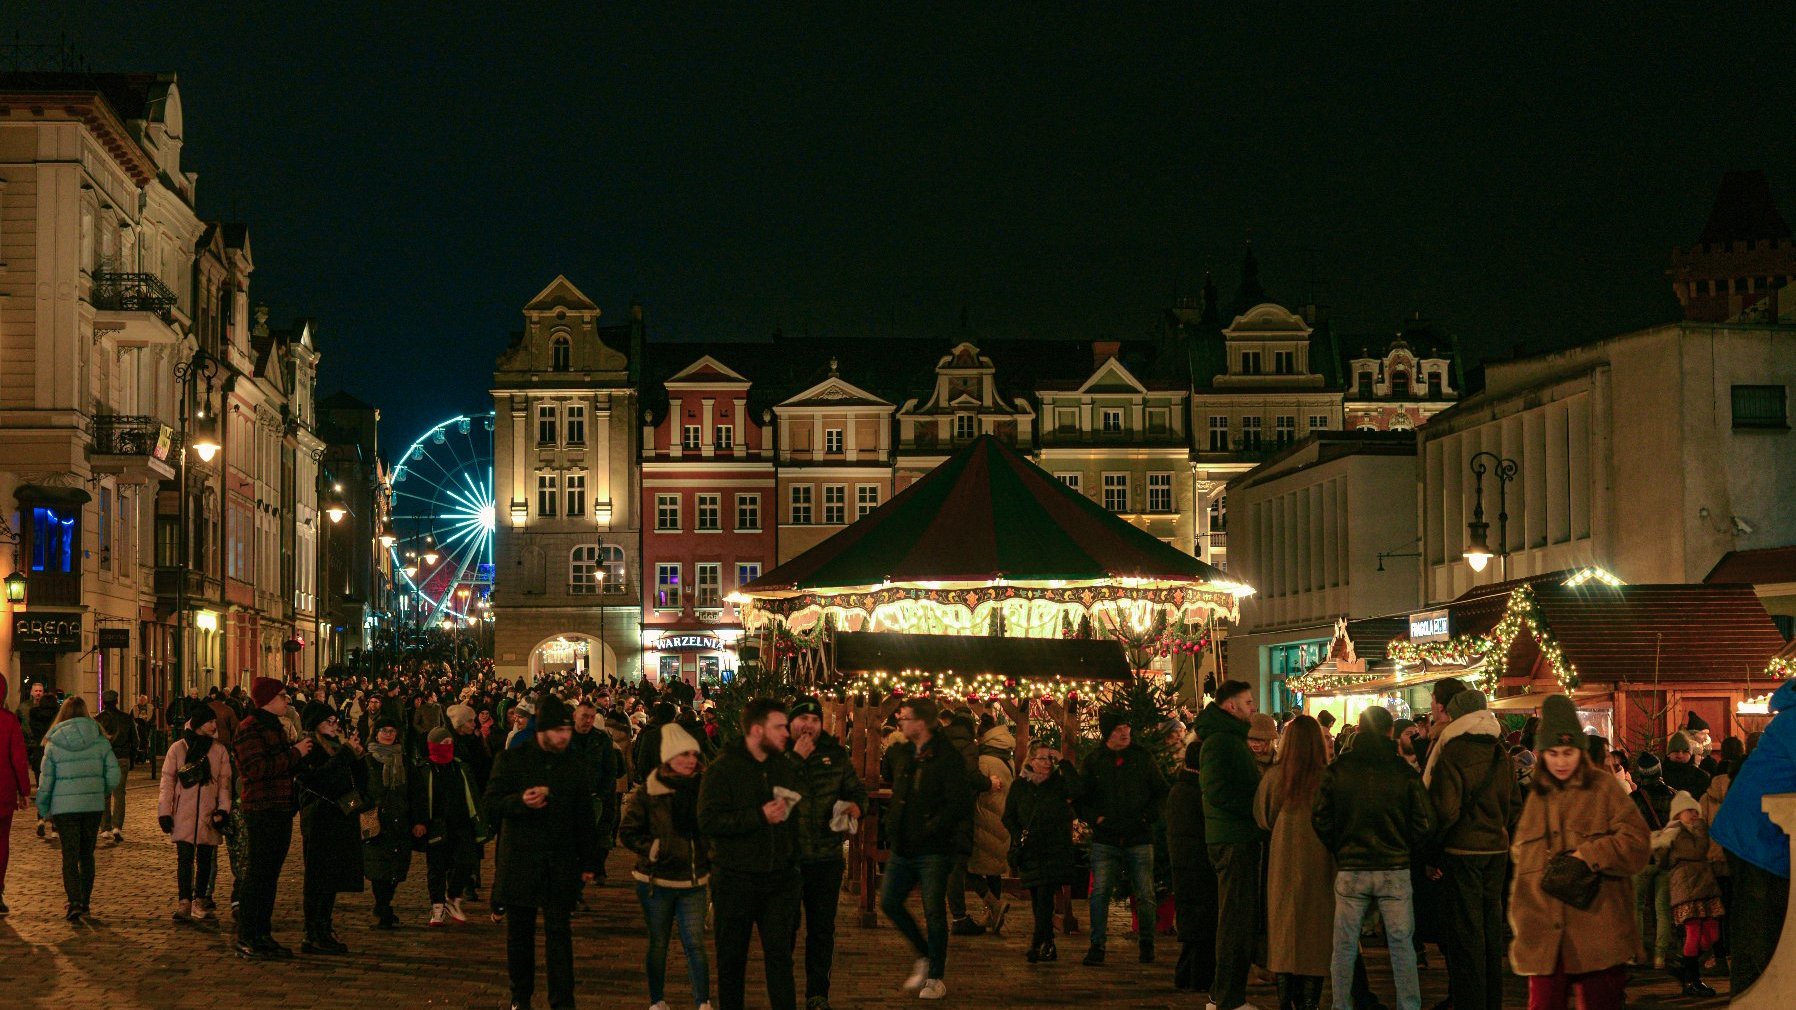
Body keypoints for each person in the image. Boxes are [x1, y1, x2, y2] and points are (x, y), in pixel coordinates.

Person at [1508, 694, 1651, 1010]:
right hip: (1546, 935)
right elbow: (1524, 865)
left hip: (1597, 928)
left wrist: (1591, 853)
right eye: (1553, 753)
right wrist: (1522, 921)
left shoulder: (1604, 788)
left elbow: (1638, 844)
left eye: (1569, 752)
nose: (1561, 761)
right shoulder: (1538, 795)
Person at [1312, 706, 1435, 1010]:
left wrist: (1340, 846)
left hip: (1351, 867)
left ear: (1360, 730)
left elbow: (1320, 817)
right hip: (1395, 867)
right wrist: (1406, 848)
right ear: (1389, 732)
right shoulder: (1403, 772)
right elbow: (1425, 823)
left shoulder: (1338, 770)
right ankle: (1409, 1005)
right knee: (1401, 945)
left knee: (1343, 946)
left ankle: (1341, 1005)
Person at [485, 695, 602, 1010]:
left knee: (559, 936)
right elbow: (492, 804)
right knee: (519, 936)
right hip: (520, 859)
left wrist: (590, 860)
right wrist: (520, 802)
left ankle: (562, 1001)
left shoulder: (575, 763)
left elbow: (584, 816)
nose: (565, 736)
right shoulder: (512, 760)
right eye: (558, 731)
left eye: (567, 730)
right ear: (542, 731)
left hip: (559, 862)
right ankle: (520, 997)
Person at [697, 698, 802, 1010]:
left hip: (779, 879)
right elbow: (708, 821)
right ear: (757, 730)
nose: (787, 732)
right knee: (731, 962)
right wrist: (758, 816)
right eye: (779, 727)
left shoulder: (781, 766)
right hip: (735, 879)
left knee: (781, 960)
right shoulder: (723, 769)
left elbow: (794, 816)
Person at [1421, 688, 1517, 1010]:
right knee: (1491, 930)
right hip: (1496, 851)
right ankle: (1493, 1000)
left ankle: (1470, 1002)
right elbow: (1513, 805)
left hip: (1463, 851)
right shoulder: (1500, 751)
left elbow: (1445, 810)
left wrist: (1432, 852)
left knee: (1466, 934)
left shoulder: (1453, 751)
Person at [879, 696, 975, 1000]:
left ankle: (935, 976)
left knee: (934, 911)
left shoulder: (947, 757)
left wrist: (933, 826)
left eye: (905, 717)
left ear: (921, 722)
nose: (900, 722)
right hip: (904, 845)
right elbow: (889, 774)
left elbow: (959, 801)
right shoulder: (905, 751)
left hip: (934, 848)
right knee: (890, 901)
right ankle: (923, 954)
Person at [620, 720, 714, 1010]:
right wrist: (651, 848)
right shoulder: (650, 790)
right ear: (669, 758)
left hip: (694, 878)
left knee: (695, 944)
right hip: (656, 881)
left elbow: (713, 828)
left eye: (693, 755)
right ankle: (657, 1000)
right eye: (683, 755)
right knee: (658, 943)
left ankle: (703, 1002)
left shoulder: (705, 788)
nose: (690, 760)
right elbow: (629, 831)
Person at [1711, 676, 1795, 994]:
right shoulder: (1795, 721)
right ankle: (1751, 997)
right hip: (1755, 837)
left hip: (1760, 834)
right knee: (1760, 930)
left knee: (1759, 926)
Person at [784, 695, 869, 1010]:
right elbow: (769, 794)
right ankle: (783, 991)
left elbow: (856, 790)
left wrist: (856, 806)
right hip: (787, 860)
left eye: (815, 720)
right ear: (791, 723)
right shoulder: (778, 755)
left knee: (821, 930)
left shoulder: (835, 756)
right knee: (785, 929)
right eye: (802, 720)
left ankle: (817, 994)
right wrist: (795, 758)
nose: (808, 726)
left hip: (826, 859)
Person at [1077, 707, 1169, 965]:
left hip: (1138, 836)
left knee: (1146, 893)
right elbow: (1081, 797)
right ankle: (1097, 946)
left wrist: (1146, 817)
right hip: (1106, 839)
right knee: (1100, 893)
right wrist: (1096, 819)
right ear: (1108, 733)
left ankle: (1147, 943)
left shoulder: (1142, 758)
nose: (1124, 733)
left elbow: (1161, 791)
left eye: (1126, 729)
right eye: (1118, 730)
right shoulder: (1095, 761)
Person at [1253, 715, 1331, 1010]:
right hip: (1321, 865)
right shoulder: (1327, 778)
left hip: (1283, 863)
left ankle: (1286, 1002)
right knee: (1315, 935)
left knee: (1285, 934)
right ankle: (1309, 1004)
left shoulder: (1275, 778)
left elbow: (1263, 816)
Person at [234, 677, 313, 959]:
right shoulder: (250, 729)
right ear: (268, 700)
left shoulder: (275, 726)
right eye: (282, 696)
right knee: (258, 874)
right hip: (262, 808)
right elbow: (257, 769)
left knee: (270, 876)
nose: (286, 700)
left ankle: (262, 933)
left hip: (280, 807)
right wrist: (295, 753)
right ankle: (248, 935)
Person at [1196, 680, 1264, 1010]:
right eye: (1248, 702)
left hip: (1237, 836)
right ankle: (1225, 997)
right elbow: (1217, 791)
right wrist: (1254, 809)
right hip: (1232, 838)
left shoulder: (1230, 740)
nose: (1253, 707)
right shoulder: (1221, 742)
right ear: (1230, 706)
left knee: (1237, 918)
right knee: (1234, 919)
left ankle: (1227, 995)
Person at [35, 695, 122, 922]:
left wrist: (43, 809)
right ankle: (85, 902)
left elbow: (46, 781)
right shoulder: (99, 739)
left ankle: (73, 901)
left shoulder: (54, 743)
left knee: (70, 855)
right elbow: (114, 774)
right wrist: (100, 789)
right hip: (92, 807)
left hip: (64, 808)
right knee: (87, 855)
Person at [295, 701, 367, 953]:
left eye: (336, 720)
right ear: (315, 724)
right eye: (330, 721)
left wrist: (357, 756)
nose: (336, 725)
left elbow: (352, 782)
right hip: (319, 819)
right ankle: (313, 931)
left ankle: (324, 927)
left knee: (331, 876)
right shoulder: (309, 748)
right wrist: (347, 753)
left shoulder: (337, 746)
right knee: (318, 877)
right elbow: (318, 780)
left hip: (339, 817)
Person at [157, 703, 233, 922]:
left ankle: (200, 900)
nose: (213, 725)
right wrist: (165, 811)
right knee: (184, 859)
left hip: (209, 814)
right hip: (183, 813)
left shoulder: (218, 750)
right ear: (199, 724)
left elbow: (224, 784)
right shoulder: (178, 749)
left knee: (205, 859)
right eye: (210, 721)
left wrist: (223, 809)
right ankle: (184, 902)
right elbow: (167, 782)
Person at [1004, 743, 1078, 964]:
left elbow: (1079, 790)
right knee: (1038, 898)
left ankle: (1038, 942)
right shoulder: (1020, 786)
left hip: (1054, 848)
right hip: (1030, 850)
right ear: (1031, 761)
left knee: (1045, 895)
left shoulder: (1059, 783)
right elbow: (1008, 816)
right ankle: (1048, 942)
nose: (1047, 763)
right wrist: (1019, 836)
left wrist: (1064, 761)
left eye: (1049, 759)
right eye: (1042, 758)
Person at [416, 725, 485, 926]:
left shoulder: (460, 767)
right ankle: (437, 905)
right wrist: (421, 821)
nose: (448, 746)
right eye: (443, 743)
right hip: (436, 824)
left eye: (449, 743)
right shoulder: (425, 769)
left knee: (467, 861)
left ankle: (452, 896)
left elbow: (472, 792)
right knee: (436, 866)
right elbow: (420, 798)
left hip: (461, 822)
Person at [1164, 739, 1216, 992]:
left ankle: (1186, 975)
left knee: (1195, 922)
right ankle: (1197, 978)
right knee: (1202, 922)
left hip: (1184, 862)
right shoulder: (1195, 791)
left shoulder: (1181, 787)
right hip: (1197, 863)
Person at [1661, 790, 1723, 997]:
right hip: (1686, 889)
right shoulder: (1677, 831)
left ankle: (1683, 964)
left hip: (1705, 887)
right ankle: (1692, 980)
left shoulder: (1695, 830)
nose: (1694, 815)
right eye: (1689, 811)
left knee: (1712, 933)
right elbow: (1696, 851)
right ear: (1678, 813)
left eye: (1695, 811)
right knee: (1694, 933)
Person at [362, 715, 413, 929]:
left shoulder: (405, 760)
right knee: (378, 870)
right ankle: (383, 906)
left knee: (395, 868)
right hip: (376, 821)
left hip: (399, 821)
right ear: (376, 733)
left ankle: (384, 903)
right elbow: (357, 789)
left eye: (392, 731)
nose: (388, 735)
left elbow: (414, 791)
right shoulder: (367, 760)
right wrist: (361, 809)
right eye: (384, 731)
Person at [967, 713, 1015, 937]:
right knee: (993, 869)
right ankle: (993, 914)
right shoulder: (1006, 756)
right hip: (1001, 818)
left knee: (967, 868)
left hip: (984, 819)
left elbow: (975, 785)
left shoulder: (984, 760)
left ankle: (994, 906)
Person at [1629, 750, 1676, 968]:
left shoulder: (1635, 799)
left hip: (1641, 858)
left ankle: (1637, 953)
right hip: (1666, 858)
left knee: (1636, 905)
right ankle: (1660, 957)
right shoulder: (1673, 795)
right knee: (1662, 909)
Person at [571, 700, 624, 891]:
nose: (588, 720)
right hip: (572, 800)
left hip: (597, 797)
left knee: (598, 836)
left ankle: (593, 870)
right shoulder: (566, 738)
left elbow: (611, 770)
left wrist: (601, 793)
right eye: (584, 716)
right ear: (575, 716)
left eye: (591, 717)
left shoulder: (601, 740)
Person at [0, 674, 30, 915]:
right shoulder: (9, 721)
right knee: (1, 843)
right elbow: (18, 760)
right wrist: (24, 790)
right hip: (3, 792)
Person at [94, 689, 135, 842]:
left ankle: (105, 828)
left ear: (103, 702)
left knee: (104, 794)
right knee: (119, 793)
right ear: (116, 701)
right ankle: (117, 826)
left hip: (104, 758)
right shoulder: (126, 718)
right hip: (122, 758)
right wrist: (133, 757)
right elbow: (134, 740)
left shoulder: (97, 720)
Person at [19, 681, 57, 837]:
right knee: (54, 790)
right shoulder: (56, 715)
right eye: (36, 690)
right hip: (53, 754)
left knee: (42, 789)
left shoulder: (33, 714)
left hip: (38, 753)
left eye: (41, 691)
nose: (38, 693)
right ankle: (54, 825)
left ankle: (40, 819)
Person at [1662, 731, 1711, 800]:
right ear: (1669, 754)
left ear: (1690, 754)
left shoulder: (1701, 777)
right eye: (1676, 751)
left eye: (1685, 751)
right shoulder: (1660, 774)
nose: (1680, 755)